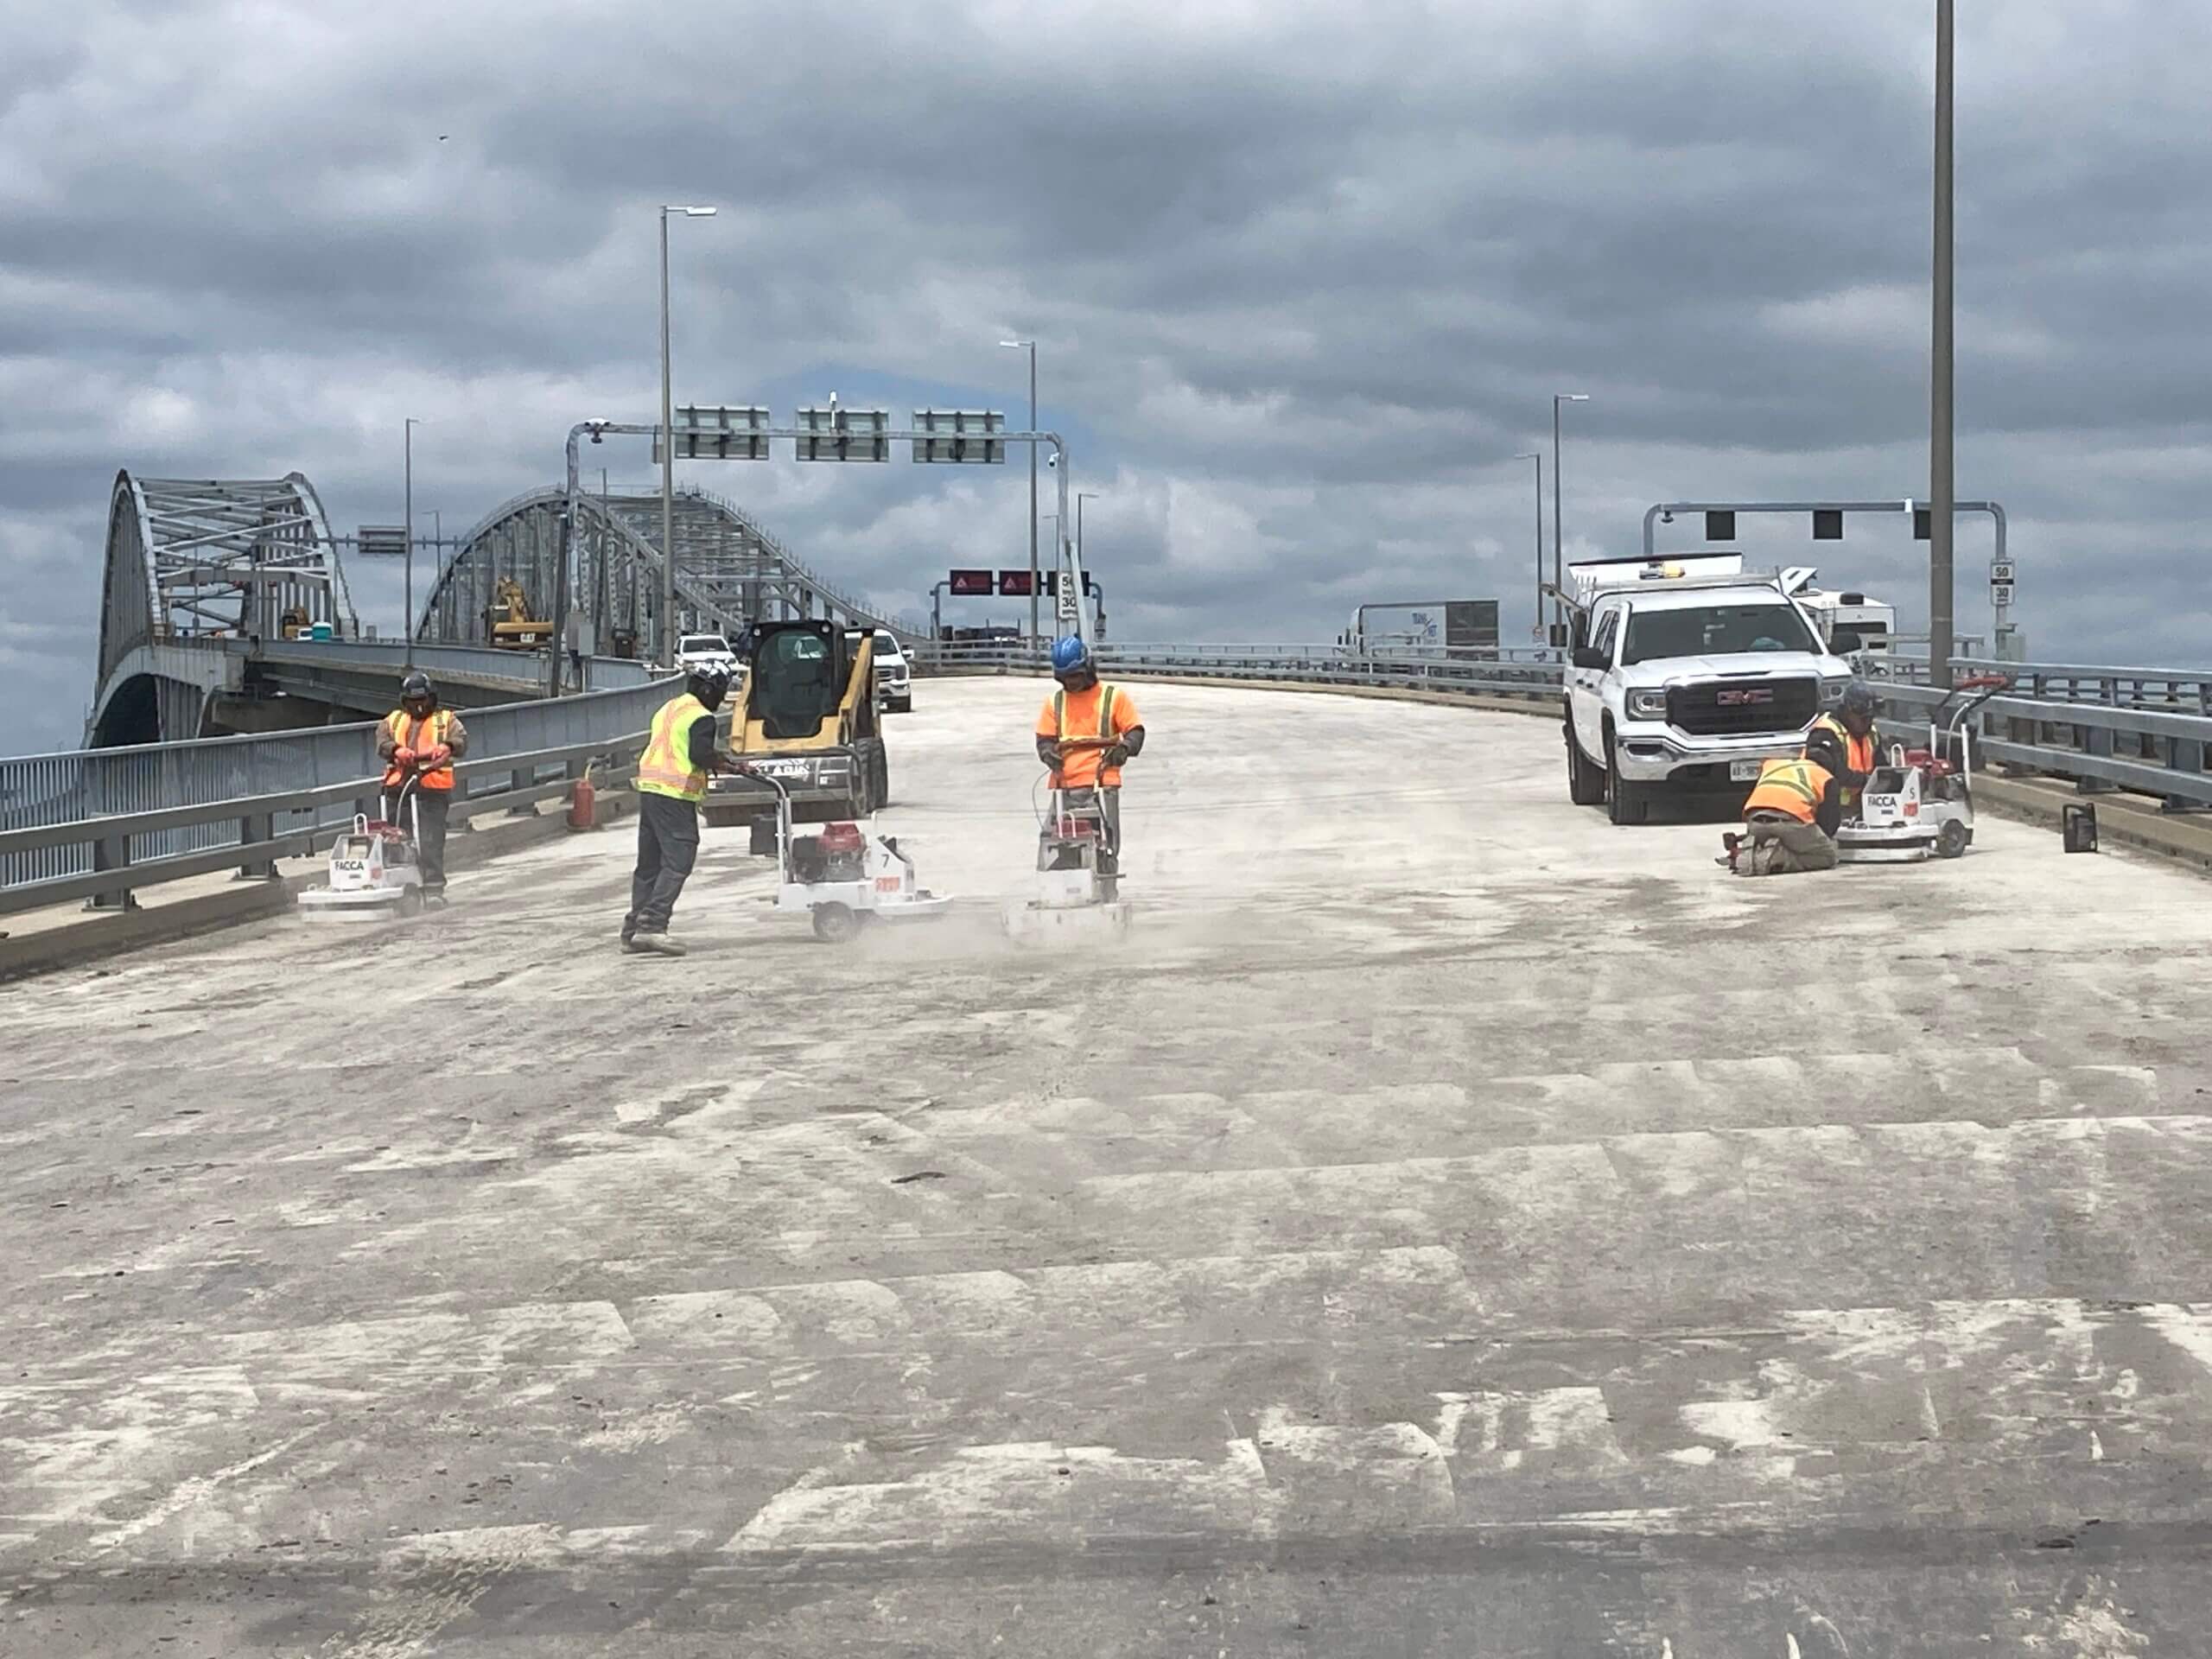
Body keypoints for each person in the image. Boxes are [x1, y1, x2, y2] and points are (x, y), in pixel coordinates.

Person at [624, 663, 746, 956]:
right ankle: (652, 926)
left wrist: (719, 761)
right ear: (707, 690)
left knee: (649, 865)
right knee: (679, 859)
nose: (719, 699)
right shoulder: (702, 717)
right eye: (719, 692)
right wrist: (726, 763)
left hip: (651, 790)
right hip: (674, 795)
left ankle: (632, 931)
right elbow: (699, 753)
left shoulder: (669, 708)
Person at [1034, 635, 1145, 892]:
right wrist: (1048, 753)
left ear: (1087, 669)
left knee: (1104, 846)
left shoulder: (1112, 697)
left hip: (1102, 782)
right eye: (1066, 678)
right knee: (1051, 841)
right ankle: (1051, 894)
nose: (1071, 683)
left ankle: (1106, 895)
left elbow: (1135, 731)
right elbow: (1044, 739)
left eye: (1075, 676)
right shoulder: (1055, 702)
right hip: (1065, 785)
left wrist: (1124, 748)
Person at [377, 671, 466, 905]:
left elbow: (460, 740)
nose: (418, 706)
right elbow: (382, 741)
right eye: (413, 702)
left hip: (431, 790)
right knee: (398, 839)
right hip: (399, 789)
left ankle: (433, 889)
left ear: (431, 698)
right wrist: (396, 750)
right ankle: (402, 886)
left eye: (423, 701)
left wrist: (447, 747)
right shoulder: (393, 720)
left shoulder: (446, 720)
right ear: (405, 701)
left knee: (430, 839)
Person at [1725, 753, 1840, 876]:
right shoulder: (1825, 777)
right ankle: (1775, 859)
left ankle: (1746, 853)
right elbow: (1828, 826)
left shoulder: (1772, 765)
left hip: (1754, 823)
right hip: (1789, 823)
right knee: (1828, 856)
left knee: (1784, 839)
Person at [1804, 681, 1880, 816]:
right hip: (1827, 810)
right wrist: (1868, 781)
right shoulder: (1825, 733)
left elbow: (1882, 769)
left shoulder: (1871, 735)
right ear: (1847, 711)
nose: (1867, 723)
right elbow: (1834, 773)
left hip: (1863, 807)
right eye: (1862, 719)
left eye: (1870, 718)